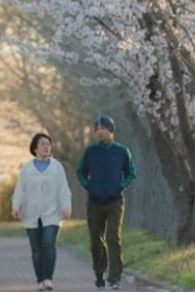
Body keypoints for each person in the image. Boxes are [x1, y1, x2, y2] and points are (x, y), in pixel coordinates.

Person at [76, 115, 136, 290]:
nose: (99, 131)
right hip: (94, 201)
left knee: (113, 237)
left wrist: (121, 186)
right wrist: (88, 185)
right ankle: (99, 272)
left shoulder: (122, 151)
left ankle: (115, 277)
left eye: (103, 128)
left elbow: (131, 173)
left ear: (111, 130)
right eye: (97, 128)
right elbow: (80, 172)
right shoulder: (90, 151)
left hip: (115, 201)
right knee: (96, 239)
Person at [12, 133, 72, 291]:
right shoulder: (27, 169)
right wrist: (16, 206)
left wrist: (66, 206)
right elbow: (19, 190)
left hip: (52, 213)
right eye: (43, 144)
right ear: (35, 148)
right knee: (36, 249)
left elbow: (64, 189)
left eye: (48, 144)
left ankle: (48, 279)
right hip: (31, 213)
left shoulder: (56, 167)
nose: (47, 147)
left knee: (48, 243)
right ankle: (40, 279)